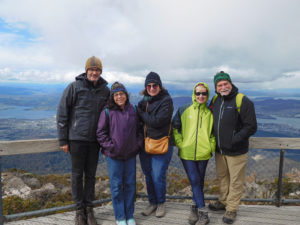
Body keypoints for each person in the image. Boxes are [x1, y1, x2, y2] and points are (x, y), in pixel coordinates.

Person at [56, 56, 110, 225]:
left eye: (97, 70)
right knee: (77, 176)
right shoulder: (74, 87)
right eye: (91, 70)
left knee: (91, 176)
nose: (94, 72)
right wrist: (63, 139)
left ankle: (89, 209)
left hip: (95, 141)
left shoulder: (105, 91)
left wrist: (105, 141)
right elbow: (62, 113)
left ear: (100, 72)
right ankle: (79, 211)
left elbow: (109, 117)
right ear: (86, 71)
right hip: (77, 139)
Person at [208, 71, 257, 224]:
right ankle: (223, 201)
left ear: (230, 83)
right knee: (223, 177)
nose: (223, 87)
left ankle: (232, 209)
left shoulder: (242, 100)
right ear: (216, 88)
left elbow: (251, 126)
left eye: (225, 84)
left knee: (236, 181)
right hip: (220, 150)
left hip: (236, 151)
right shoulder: (216, 100)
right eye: (219, 85)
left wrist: (233, 140)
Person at [96, 82, 143, 225]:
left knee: (130, 185)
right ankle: (120, 217)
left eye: (121, 93)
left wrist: (137, 145)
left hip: (130, 155)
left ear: (126, 95)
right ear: (112, 97)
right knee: (116, 187)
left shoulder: (133, 109)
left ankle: (130, 215)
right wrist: (111, 147)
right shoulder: (107, 111)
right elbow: (100, 133)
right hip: (113, 156)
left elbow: (140, 130)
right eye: (116, 94)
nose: (119, 96)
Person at [172, 82, 216, 225]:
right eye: (198, 93)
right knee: (195, 180)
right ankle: (203, 213)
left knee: (199, 181)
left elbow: (214, 133)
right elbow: (175, 127)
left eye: (203, 93)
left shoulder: (210, 112)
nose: (201, 96)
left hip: (204, 153)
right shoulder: (184, 109)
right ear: (194, 94)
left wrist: (211, 146)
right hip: (187, 153)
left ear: (207, 95)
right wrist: (181, 143)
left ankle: (194, 207)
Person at [137, 71, 174, 218]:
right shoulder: (143, 102)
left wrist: (142, 114)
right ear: (146, 87)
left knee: (158, 175)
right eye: (149, 85)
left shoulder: (166, 100)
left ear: (160, 86)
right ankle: (152, 203)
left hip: (161, 144)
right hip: (145, 145)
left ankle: (160, 203)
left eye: (155, 85)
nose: (152, 88)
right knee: (148, 175)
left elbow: (157, 121)